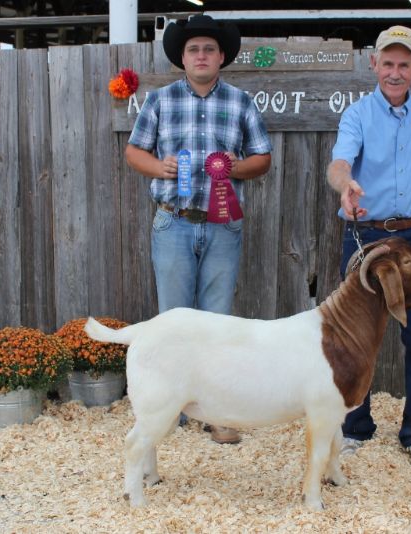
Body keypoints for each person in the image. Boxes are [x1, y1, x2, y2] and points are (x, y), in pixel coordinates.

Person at [125, 15, 272, 445]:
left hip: (223, 226)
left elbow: (262, 158)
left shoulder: (242, 103)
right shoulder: (160, 100)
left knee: (218, 323)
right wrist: (160, 166)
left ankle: (218, 415)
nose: (202, 55)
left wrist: (232, 167)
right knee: (172, 322)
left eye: (209, 49)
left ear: (221, 56)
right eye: (194, 50)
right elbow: (134, 151)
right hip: (174, 220)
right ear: (182, 58)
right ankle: (169, 410)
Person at [326, 25, 411, 470]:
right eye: (388, 63)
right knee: (350, 339)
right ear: (374, 65)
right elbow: (339, 164)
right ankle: (354, 427)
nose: (395, 72)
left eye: (404, 64)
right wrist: (346, 186)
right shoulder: (357, 116)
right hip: (365, 237)